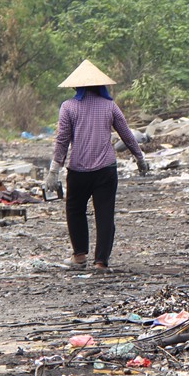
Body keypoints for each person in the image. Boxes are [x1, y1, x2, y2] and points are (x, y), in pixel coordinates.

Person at [45, 59, 149, 271]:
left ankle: (80, 255)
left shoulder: (68, 107)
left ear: (76, 86)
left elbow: (62, 140)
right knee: (104, 213)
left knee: (75, 210)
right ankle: (101, 261)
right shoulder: (110, 106)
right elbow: (126, 134)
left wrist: (54, 170)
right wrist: (140, 158)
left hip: (78, 170)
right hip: (105, 170)